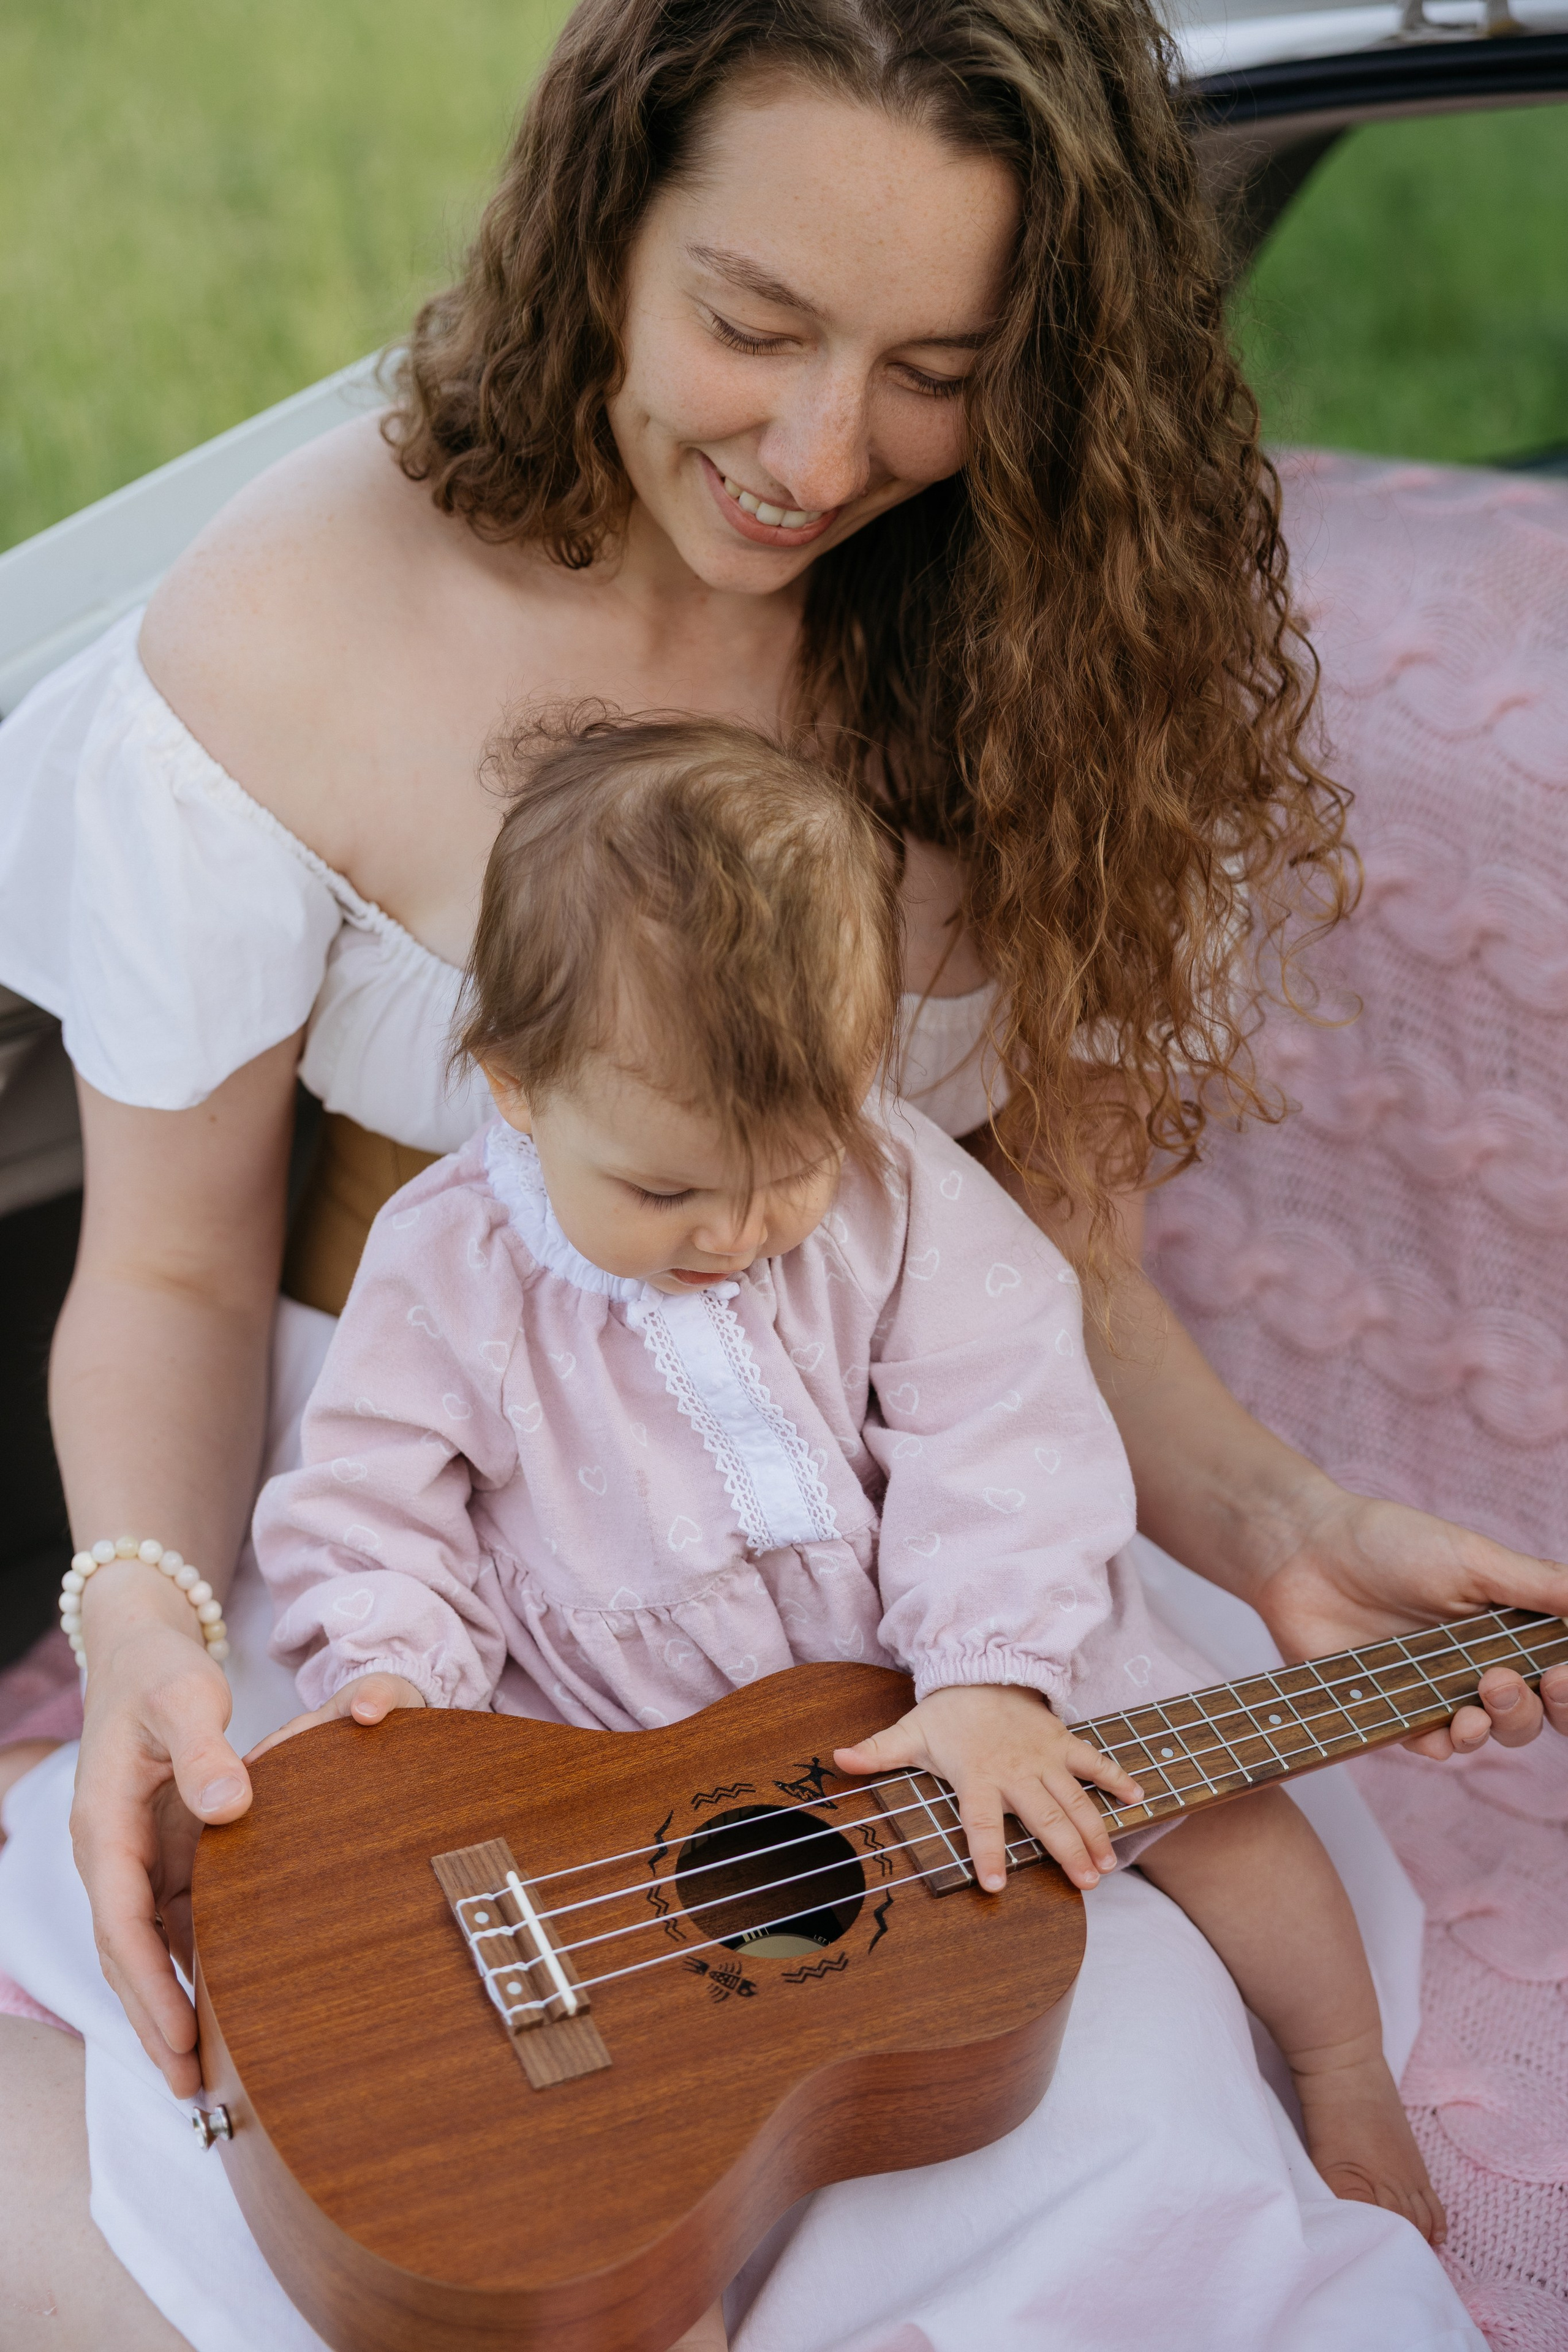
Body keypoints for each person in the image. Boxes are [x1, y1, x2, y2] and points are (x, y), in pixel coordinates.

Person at [0, 0, 1562, 2344]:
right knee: (401, 2187)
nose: (825, 452)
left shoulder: (1063, 642)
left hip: (893, 1581)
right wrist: (144, 1615)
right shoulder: (310, 613)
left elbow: (1059, 1280)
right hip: (453, 1560)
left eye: (943, 365)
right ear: (602, 235)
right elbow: (181, 1278)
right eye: (753, 324)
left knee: (1094, 2144)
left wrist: (1276, 1523)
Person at [249, 714, 1447, 2339]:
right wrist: (392, 1673)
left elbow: (996, 1423)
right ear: (517, 1088)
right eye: (667, 1193)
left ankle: (1343, 2067)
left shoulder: (891, 1192)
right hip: (624, 1711)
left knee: (1208, 1786)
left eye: (785, 1169)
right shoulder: (446, 1264)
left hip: (933, 1624)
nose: (736, 1233)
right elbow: (378, 1500)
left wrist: (987, 1668)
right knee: (637, 2041)